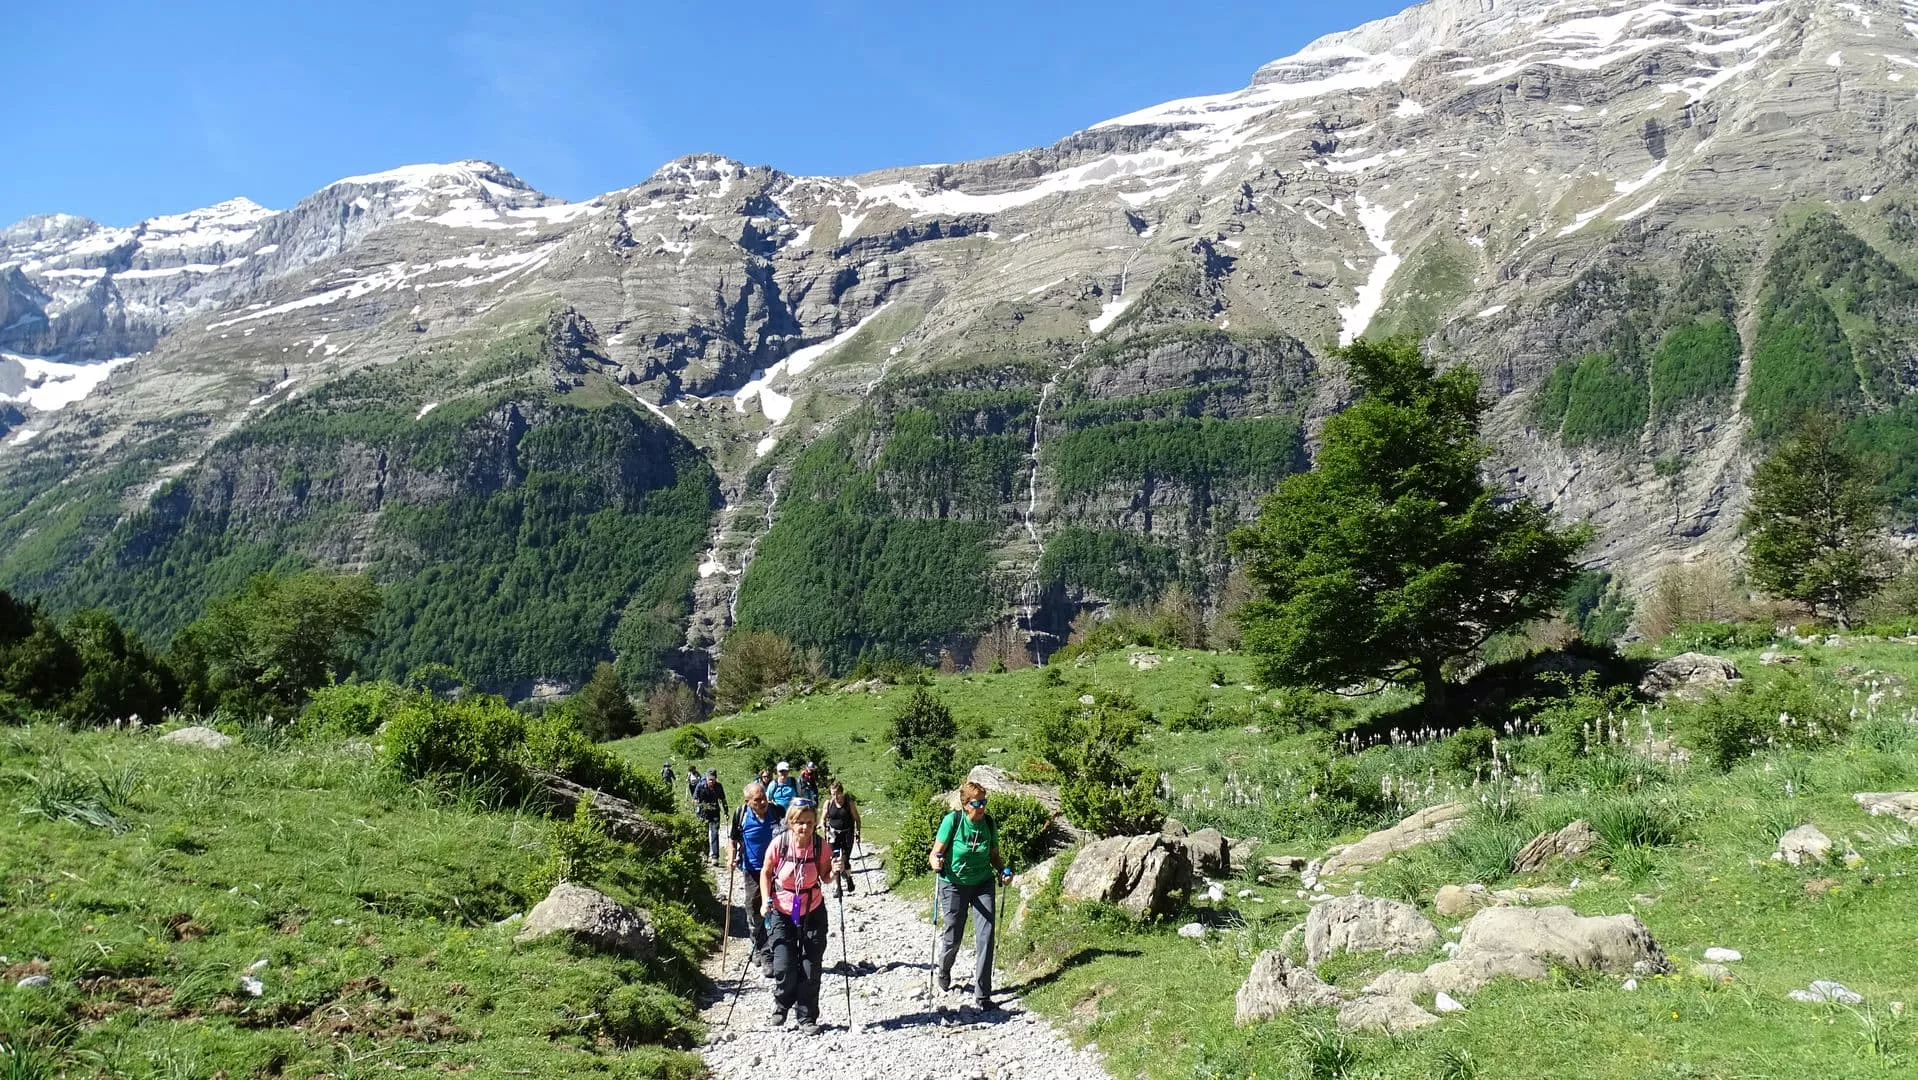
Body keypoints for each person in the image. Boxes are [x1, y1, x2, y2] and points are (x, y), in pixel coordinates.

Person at [928, 781, 1013, 1011]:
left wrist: (1003, 871)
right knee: (953, 934)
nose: (982, 807)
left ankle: (983, 996)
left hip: (982, 883)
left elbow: (994, 855)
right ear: (966, 805)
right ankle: (944, 968)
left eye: (984, 802)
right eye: (977, 803)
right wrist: (936, 861)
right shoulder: (952, 821)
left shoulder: (989, 823)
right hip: (953, 884)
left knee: (986, 936)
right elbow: (935, 853)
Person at [760, 799, 835, 1033]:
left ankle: (806, 1017)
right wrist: (765, 901)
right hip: (782, 910)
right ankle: (781, 1005)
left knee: (811, 966)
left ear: (815, 824)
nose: (805, 827)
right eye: (800, 822)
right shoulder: (779, 844)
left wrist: (836, 869)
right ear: (791, 822)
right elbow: (766, 872)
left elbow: (826, 876)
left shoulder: (820, 846)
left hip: (812, 909)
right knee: (784, 965)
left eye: (810, 823)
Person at [730, 782, 779, 975]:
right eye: (758, 799)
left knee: (777, 909)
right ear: (748, 802)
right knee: (753, 908)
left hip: (777, 869)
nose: (763, 802)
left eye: (764, 797)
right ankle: (758, 946)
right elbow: (733, 838)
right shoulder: (741, 814)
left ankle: (770, 954)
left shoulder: (776, 811)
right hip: (752, 869)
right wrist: (731, 856)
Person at [823, 781, 862, 892]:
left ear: (842, 793)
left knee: (844, 860)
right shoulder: (829, 803)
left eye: (837, 794)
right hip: (833, 834)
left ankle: (848, 878)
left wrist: (858, 833)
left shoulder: (849, 803)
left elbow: (857, 819)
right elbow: (823, 818)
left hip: (847, 834)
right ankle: (837, 886)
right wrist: (823, 826)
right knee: (833, 860)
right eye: (832, 794)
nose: (835, 796)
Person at [694, 768, 728, 863]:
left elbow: (723, 799)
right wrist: (697, 806)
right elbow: (695, 798)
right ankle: (705, 854)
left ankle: (715, 857)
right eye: (710, 779)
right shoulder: (700, 785)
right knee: (704, 834)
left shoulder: (718, 786)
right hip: (703, 812)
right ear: (706, 778)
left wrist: (726, 811)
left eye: (713, 779)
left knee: (714, 833)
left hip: (714, 812)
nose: (711, 781)